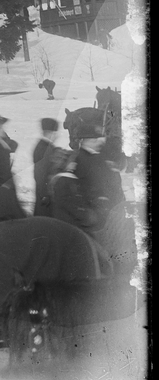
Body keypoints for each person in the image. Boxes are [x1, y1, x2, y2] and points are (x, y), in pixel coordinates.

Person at [51, 119, 135, 277]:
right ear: (85, 141)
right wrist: (91, 214)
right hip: (96, 222)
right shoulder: (77, 161)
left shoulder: (102, 156)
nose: (99, 141)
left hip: (112, 216)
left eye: (99, 138)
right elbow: (71, 193)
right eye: (95, 138)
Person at [32, 117, 61, 216]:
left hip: (44, 192)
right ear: (49, 133)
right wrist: (44, 194)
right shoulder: (44, 148)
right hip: (45, 193)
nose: (57, 136)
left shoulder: (42, 146)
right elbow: (40, 173)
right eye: (55, 133)